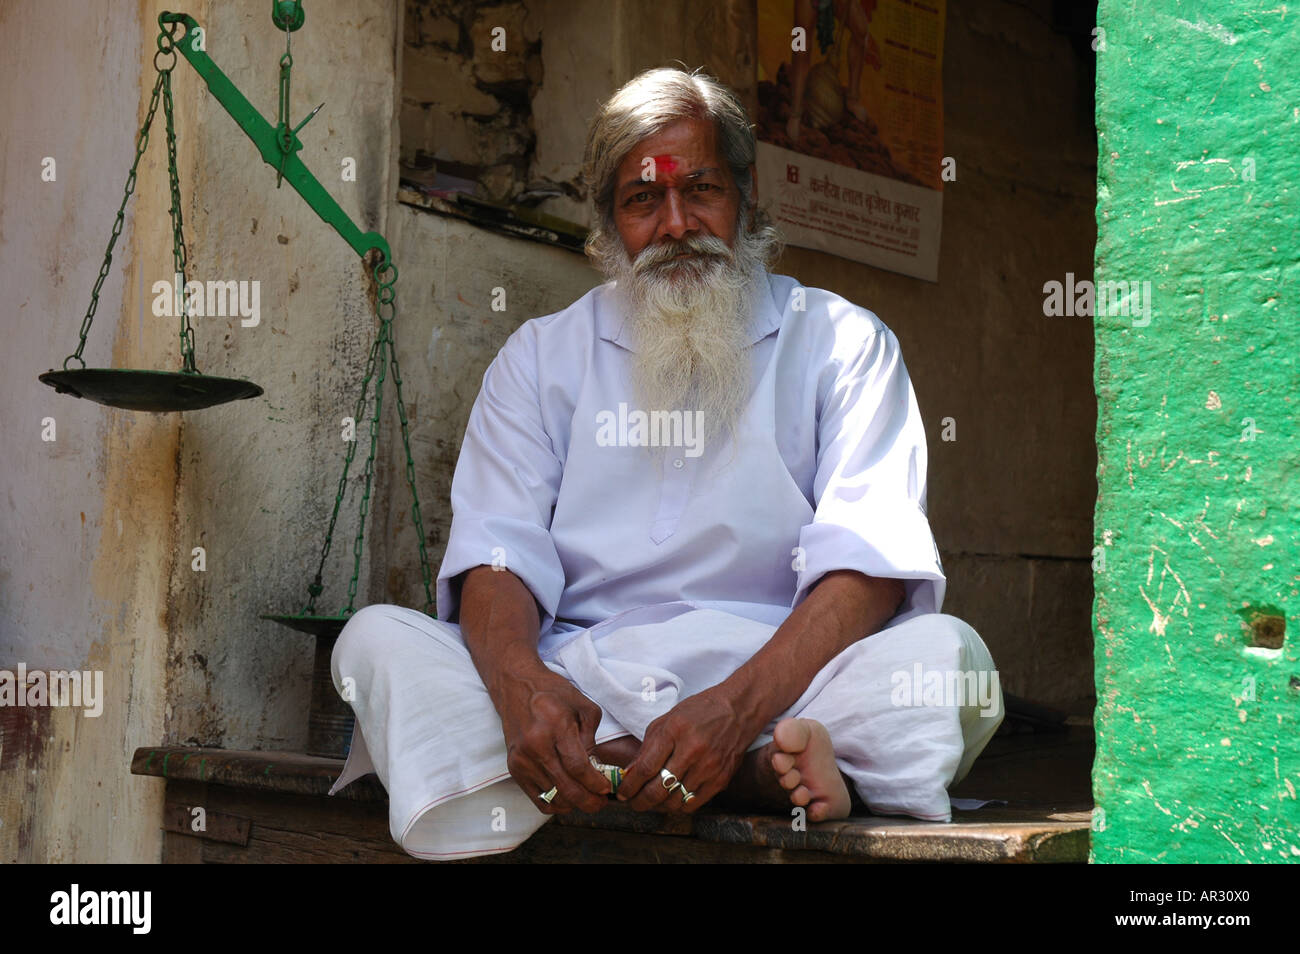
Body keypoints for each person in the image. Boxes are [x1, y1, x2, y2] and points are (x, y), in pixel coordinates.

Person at [328, 67, 1003, 859]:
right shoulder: (542, 356)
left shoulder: (843, 343)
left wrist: (735, 708)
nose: (677, 224)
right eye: (644, 199)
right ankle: (752, 776)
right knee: (374, 640)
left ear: (748, 196)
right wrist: (524, 690)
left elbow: (869, 565)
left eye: (702, 190)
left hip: (777, 679)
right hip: (579, 682)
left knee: (952, 662)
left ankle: (695, 762)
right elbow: (495, 554)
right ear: (610, 223)